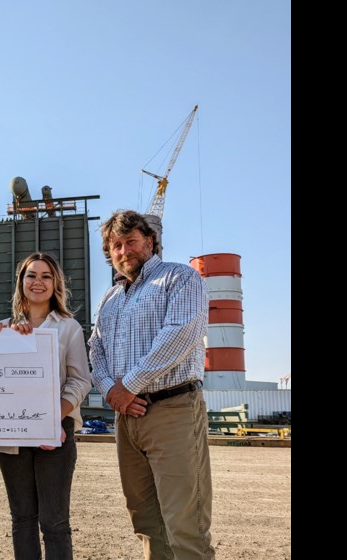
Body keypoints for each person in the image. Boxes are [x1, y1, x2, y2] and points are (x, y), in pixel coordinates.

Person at [88, 210, 214, 560]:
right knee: (145, 520)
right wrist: (113, 393)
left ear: (150, 241)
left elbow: (181, 333)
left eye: (131, 242)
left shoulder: (180, 278)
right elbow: (95, 348)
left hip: (172, 410)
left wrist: (128, 385)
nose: (124, 250)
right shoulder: (110, 299)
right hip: (127, 418)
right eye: (116, 245)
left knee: (184, 522)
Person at [0, 252, 92, 560]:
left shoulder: (69, 327)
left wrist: (49, 420)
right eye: (31, 275)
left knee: (55, 522)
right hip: (13, 435)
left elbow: (79, 381)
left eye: (46, 276)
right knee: (22, 519)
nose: (38, 282)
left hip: (55, 432)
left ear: (55, 283)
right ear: (21, 282)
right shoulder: (2, 329)